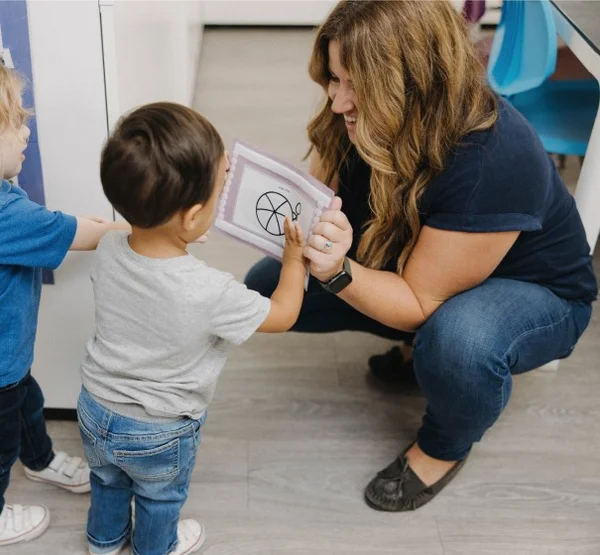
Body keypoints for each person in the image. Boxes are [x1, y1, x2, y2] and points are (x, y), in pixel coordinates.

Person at [245, 0, 597, 512]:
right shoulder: (360, 109)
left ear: (411, 82)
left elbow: (417, 297)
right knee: (268, 284)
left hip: (537, 293)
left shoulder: (491, 159)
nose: (338, 101)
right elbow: (323, 193)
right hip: (424, 257)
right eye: (334, 79)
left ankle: (444, 444)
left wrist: (340, 271)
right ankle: (423, 355)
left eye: (354, 87)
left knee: (456, 342)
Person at [78, 102, 306, 555]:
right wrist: (295, 260)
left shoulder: (107, 247)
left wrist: (169, 231)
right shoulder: (210, 291)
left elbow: (137, 236)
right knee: (159, 498)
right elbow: (283, 315)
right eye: (221, 191)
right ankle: (153, 547)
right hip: (160, 429)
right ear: (190, 215)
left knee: (106, 480)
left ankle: (102, 542)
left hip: (94, 407)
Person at [0, 61, 129, 547]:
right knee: (1, 439)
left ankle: (39, 461)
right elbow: (79, 233)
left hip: (10, 360)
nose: (25, 131)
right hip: (0, 367)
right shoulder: (6, 212)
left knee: (28, 404)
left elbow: (62, 225)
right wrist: (153, 227)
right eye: (14, 122)